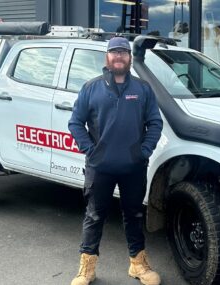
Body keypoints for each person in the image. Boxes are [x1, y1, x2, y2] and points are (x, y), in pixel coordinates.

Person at [68, 36, 163, 285]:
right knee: (94, 215)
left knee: (134, 215)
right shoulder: (91, 87)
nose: (119, 56)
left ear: (130, 58)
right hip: (100, 168)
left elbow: (155, 122)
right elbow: (75, 122)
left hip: (133, 167)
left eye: (123, 52)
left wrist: (144, 151)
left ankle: (138, 265)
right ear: (106, 58)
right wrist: (90, 149)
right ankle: (87, 269)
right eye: (114, 52)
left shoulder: (142, 89)